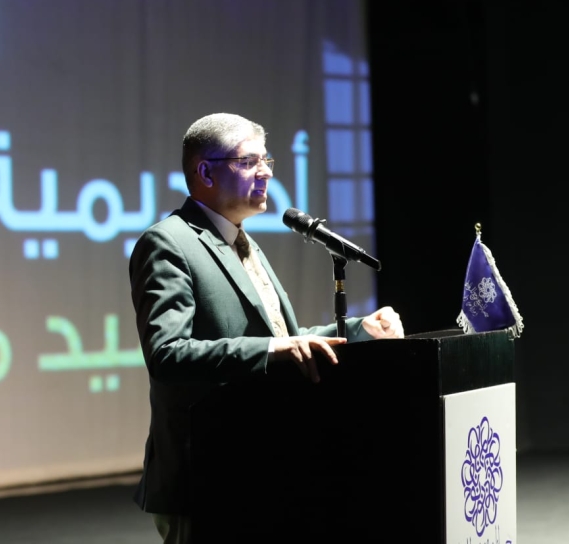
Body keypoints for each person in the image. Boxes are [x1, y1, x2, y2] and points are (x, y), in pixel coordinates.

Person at [128, 112, 404, 543]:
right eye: (248, 161)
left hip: (261, 464)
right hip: (204, 474)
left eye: (266, 160)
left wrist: (358, 331)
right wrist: (271, 351)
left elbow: (280, 337)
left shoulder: (244, 243)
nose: (266, 172)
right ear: (205, 172)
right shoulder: (169, 242)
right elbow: (167, 353)